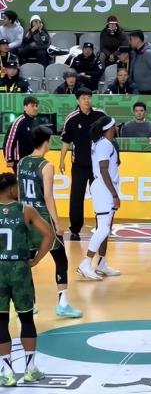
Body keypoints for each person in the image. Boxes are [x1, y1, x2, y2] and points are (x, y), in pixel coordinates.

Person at [18, 126, 82, 318]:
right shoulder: (46, 166)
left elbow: (20, 193)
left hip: (25, 216)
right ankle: (62, 304)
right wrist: (57, 224)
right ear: (47, 142)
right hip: (42, 218)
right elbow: (48, 197)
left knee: (26, 260)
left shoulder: (21, 162)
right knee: (60, 258)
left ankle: (28, 304)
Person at [0, 172, 53, 387]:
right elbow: (49, 234)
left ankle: (7, 373)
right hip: (20, 269)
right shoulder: (25, 209)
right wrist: (37, 259)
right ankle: (31, 369)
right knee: (27, 319)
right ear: (12, 188)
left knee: (1, 321)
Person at [77, 116, 121, 280]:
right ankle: (86, 263)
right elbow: (103, 170)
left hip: (104, 188)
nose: (117, 129)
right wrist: (114, 194)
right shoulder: (104, 144)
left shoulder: (102, 143)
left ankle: (101, 263)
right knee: (103, 229)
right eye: (115, 126)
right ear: (109, 128)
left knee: (106, 228)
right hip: (104, 189)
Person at [60, 88, 106, 241]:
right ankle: (75, 229)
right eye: (84, 98)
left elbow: (110, 135)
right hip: (79, 164)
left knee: (100, 195)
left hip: (97, 165)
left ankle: (101, 225)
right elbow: (66, 141)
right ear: (77, 100)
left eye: (89, 97)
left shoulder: (100, 115)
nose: (87, 100)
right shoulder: (72, 118)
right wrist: (61, 160)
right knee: (76, 197)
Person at [2, 96, 39, 172]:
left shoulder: (35, 122)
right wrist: (9, 159)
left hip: (32, 160)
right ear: (25, 107)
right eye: (32, 106)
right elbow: (9, 141)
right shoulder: (18, 122)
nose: (35, 108)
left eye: (36, 106)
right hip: (20, 161)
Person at [129, 30, 151, 95]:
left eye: (131, 40)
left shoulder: (148, 53)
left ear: (137, 39)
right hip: (139, 88)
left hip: (149, 90)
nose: (130, 42)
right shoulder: (135, 53)